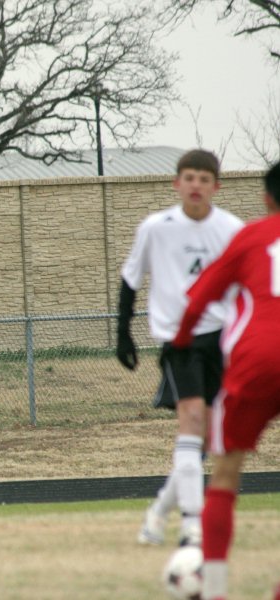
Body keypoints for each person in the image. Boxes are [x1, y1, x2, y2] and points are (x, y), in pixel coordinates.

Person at [116, 149, 243, 547]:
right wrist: (123, 332)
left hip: (221, 339)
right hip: (180, 339)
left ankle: (157, 512)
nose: (196, 186)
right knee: (190, 421)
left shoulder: (231, 229)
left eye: (204, 180)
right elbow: (130, 279)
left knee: (204, 438)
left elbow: (246, 287)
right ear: (177, 183)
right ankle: (192, 524)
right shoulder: (156, 227)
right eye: (189, 177)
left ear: (216, 187)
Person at [170, 161, 280, 600]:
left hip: (258, 358)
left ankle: (214, 591)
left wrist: (179, 343)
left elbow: (199, 298)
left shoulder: (252, 236)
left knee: (226, 473)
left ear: (267, 198)